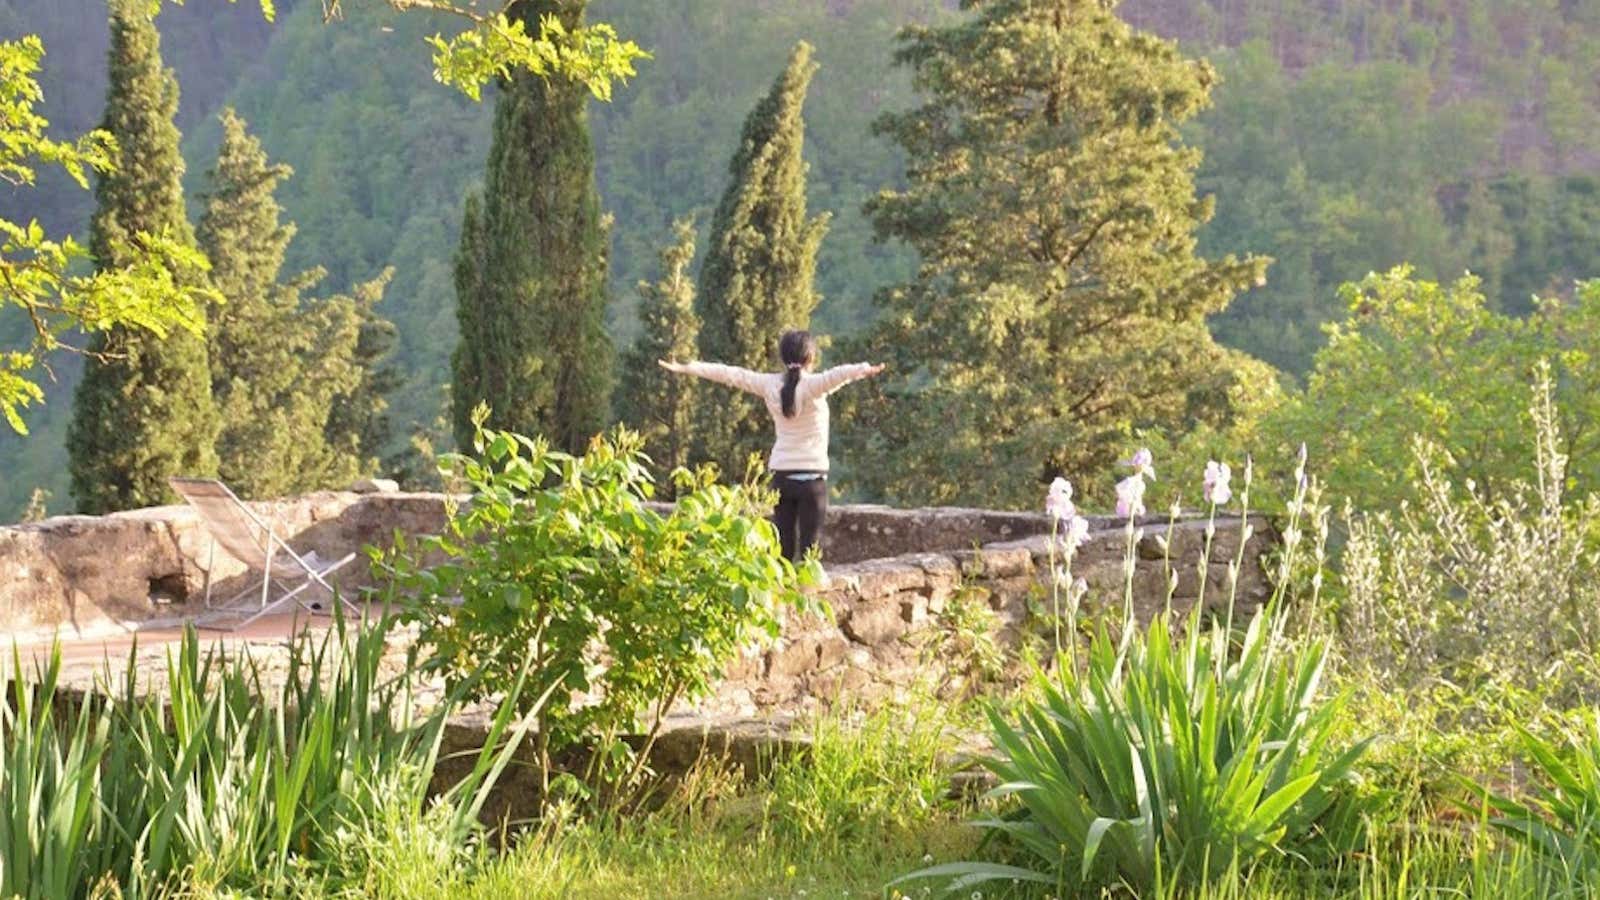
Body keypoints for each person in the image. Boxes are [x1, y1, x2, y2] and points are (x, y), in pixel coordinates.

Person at [659, 330, 884, 563]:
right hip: (812, 481)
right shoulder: (814, 386)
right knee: (810, 551)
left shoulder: (769, 384)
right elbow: (838, 375)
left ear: (783, 357)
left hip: (781, 477)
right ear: (810, 358)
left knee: (781, 550)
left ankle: (777, 596)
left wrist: (689, 367)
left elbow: (731, 374)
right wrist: (864, 369)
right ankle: (807, 594)